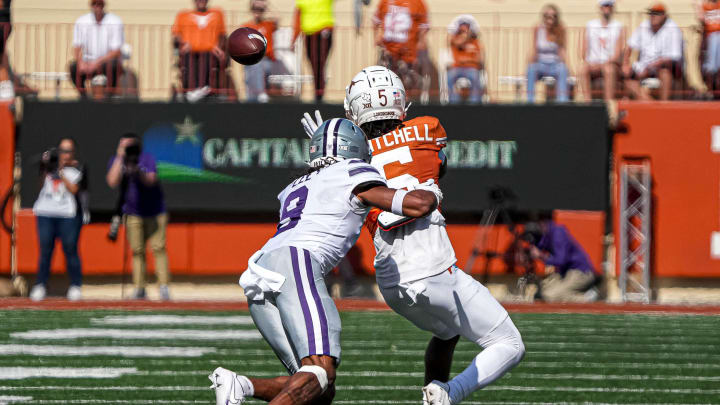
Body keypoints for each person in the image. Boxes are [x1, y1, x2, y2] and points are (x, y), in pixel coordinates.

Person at [301, 66, 525, 405]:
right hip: (434, 270)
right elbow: (439, 164)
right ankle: (448, 392)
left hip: (390, 283)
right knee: (510, 344)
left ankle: (434, 396)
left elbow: (338, 177)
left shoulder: (350, 162)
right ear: (400, 103)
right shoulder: (427, 130)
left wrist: (328, 148)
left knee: (447, 332)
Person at [209, 118, 441, 405]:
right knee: (319, 372)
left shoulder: (295, 184)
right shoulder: (354, 170)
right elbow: (415, 205)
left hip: (261, 269)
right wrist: (430, 189)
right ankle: (239, 387)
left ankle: (239, 385)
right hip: (296, 263)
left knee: (318, 388)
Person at [106, 134, 170, 300]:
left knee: (158, 248)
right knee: (137, 250)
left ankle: (163, 286)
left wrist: (137, 170)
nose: (127, 149)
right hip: (133, 213)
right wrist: (121, 158)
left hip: (155, 212)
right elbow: (112, 181)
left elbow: (151, 180)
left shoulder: (146, 159)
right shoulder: (118, 160)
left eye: (129, 146)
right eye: (123, 146)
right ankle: (139, 287)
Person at [29, 138, 84, 301]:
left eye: (68, 151)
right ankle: (40, 284)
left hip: (66, 214)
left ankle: (75, 284)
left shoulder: (76, 169)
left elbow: (74, 189)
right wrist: (44, 167)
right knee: (45, 250)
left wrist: (60, 171)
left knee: (70, 248)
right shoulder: (48, 169)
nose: (64, 155)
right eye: (62, 151)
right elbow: (39, 188)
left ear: (73, 153)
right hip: (45, 212)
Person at [523, 221, 599, 303]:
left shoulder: (557, 234)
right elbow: (542, 245)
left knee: (549, 296)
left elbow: (560, 260)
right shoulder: (549, 234)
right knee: (544, 292)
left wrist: (540, 255)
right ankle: (580, 294)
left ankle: (587, 298)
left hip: (581, 272)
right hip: (566, 273)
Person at [622, 2, 683, 101]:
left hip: (664, 68)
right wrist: (625, 64)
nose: (653, 16)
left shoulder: (673, 29)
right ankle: (651, 105)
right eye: (651, 13)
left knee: (665, 73)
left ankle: (664, 105)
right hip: (644, 67)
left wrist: (650, 67)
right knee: (627, 79)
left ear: (664, 16)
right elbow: (629, 45)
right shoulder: (644, 26)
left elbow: (673, 58)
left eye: (657, 13)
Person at [373, 0, 429, 100]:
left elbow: (424, 26)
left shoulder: (418, 3)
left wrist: (420, 42)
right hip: (387, 52)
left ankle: (408, 110)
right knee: (384, 85)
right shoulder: (385, 2)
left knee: (408, 87)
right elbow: (376, 20)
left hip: (408, 53)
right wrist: (377, 35)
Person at [172, 0, 228, 98]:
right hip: (190, 51)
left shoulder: (217, 13)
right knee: (188, 56)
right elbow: (176, 34)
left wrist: (218, 47)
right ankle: (192, 90)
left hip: (210, 51)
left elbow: (222, 34)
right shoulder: (183, 14)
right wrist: (183, 43)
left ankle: (202, 89)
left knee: (207, 55)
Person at [69, 0, 124, 97]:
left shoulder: (115, 21)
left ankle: (109, 99)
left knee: (114, 66)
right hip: (87, 62)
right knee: (73, 67)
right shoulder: (81, 21)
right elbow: (77, 46)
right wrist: (80, 62)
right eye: (94, 4)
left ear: (104, 5)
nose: (97, 6)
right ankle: (84, 97)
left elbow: (116, 51)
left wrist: (96, 63)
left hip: (105, 62)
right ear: (91, 5)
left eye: (100, 4)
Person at [579, 0, 626, 101]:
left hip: (610, 64)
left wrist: (601, 65)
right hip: (593, 63)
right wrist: (590, 63)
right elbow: (584, 51)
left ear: (613, 8)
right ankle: (588, 104)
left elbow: (617, 54)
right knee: (583, 70)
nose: (607, 8)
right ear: (600, 8)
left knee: (608, 70)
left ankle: (607, 104)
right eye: (605, 5)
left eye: (609, 6)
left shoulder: (618, 26)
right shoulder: (590, 25)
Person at [292, 0, 334, 102]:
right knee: (314, 64)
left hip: (324, 31)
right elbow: (298, 16)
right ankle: (318, 91)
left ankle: (319, 93)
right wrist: (294, 38)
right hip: (309, 34)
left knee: (319, 63)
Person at [526, 4, 570, 102]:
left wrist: (567, 66)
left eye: (553, 16)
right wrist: (530, 63)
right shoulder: (537, 29)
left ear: (556, 17)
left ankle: (562, 102)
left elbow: (562, 51)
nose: (550, 19)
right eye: (547, 16)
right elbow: (534, 49)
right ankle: (530, 102)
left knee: (563, 70)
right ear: (543, 17)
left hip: (555, 64)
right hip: (540, 63)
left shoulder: (560, 29)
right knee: (531, 70)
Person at [242, 0, 279, 103]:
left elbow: (278, 18)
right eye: (255, 9)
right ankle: (259, 95)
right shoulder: (246, 26)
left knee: (257, 66)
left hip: (266, 60)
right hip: (251, 60)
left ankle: (257, 95)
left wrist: (266, 6)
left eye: (260, 10)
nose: (257, 12)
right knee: (253, 67)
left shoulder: (268, 24)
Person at [447, 15, 485, 104]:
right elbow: (457, 43)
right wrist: (464, 37)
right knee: (450, 77)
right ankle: (453, 103)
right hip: (457, 67)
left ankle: (474, 104)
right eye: (462, 30)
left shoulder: (475, 43)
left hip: (471, 68)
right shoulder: (455, 40)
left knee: (475, 78)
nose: (464, 32)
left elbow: (479, 60)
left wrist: (468, 61)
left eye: (466, 30)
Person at [696, 0, 720, 94]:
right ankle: (711, 90)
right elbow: (701, 20)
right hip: (709, 38)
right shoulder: (704, 5)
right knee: (709, 68)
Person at [0, 0, 14, 101]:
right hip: (4, 24)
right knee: (3, 56)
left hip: (2, 25)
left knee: (1, 62)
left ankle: (6, 88)